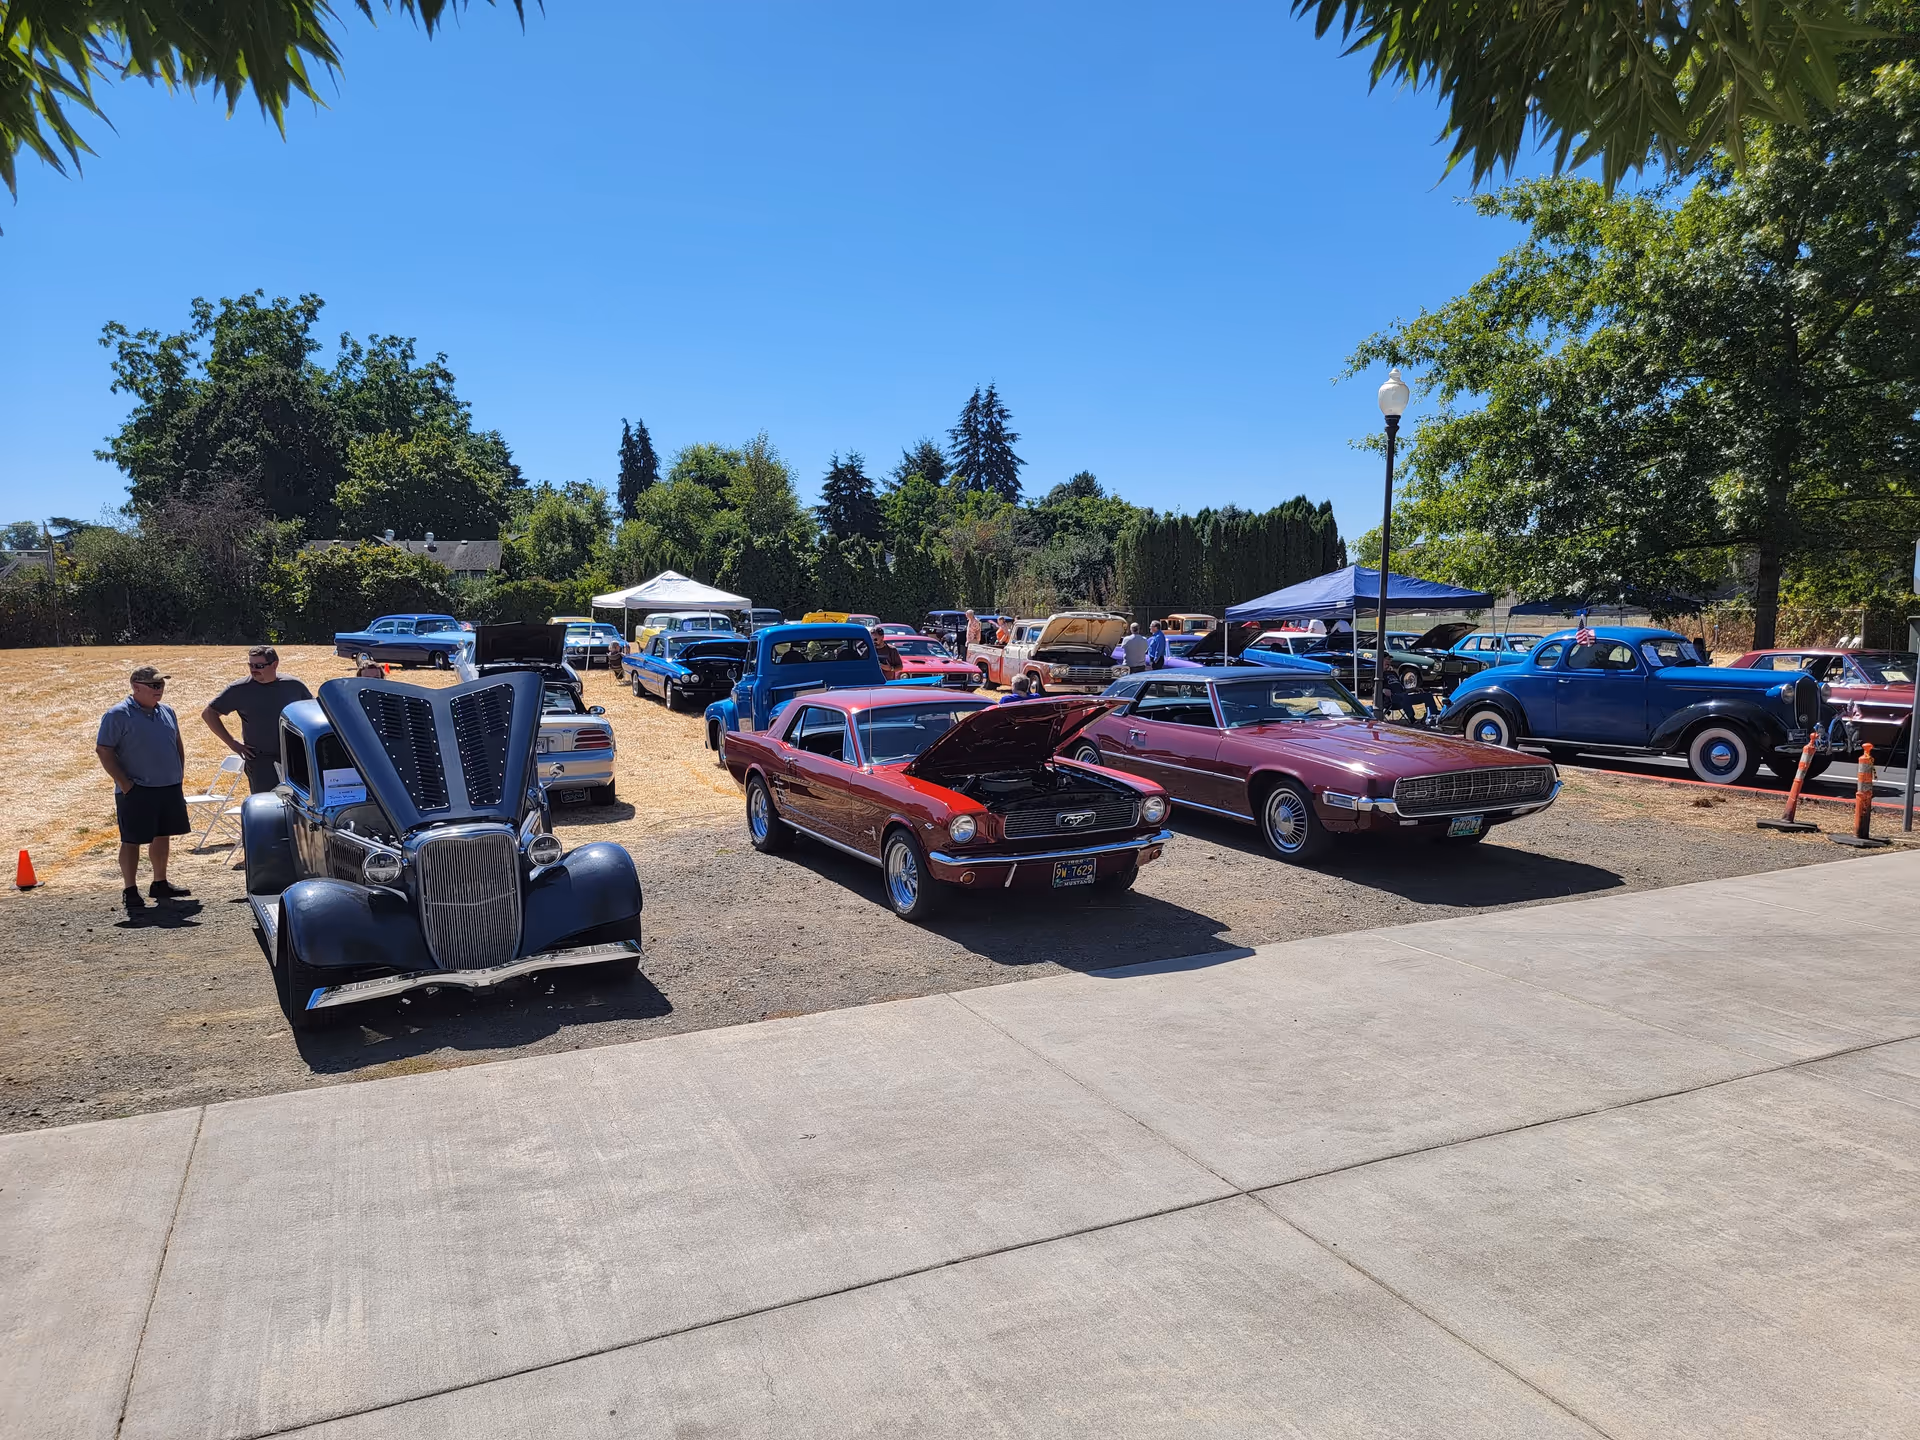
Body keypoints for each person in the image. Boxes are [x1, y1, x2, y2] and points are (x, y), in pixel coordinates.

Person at [96, 665, 192, 914]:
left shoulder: (168, 711)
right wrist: (125, 784)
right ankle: (130, 889)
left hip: (168, 786)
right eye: (154, 685)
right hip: (137, 789)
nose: (159, 689)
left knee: (163, 835)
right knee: (132, 840)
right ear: (136, 687)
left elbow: (177, 742)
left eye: (161, 685)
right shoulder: (117, 714)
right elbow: (104, 751)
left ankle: (159, 883)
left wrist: (178, 774)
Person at [202, 646, 313, 794]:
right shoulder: (239, 689)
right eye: (251, 665)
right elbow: (209, 714)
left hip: (295, 758)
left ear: (274, 664)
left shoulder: (293, 686)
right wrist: (233, 744)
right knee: (266, 806)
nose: (254, 670)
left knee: (301, 803)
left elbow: (313, 712)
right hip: (261, 761)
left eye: (259, 666)